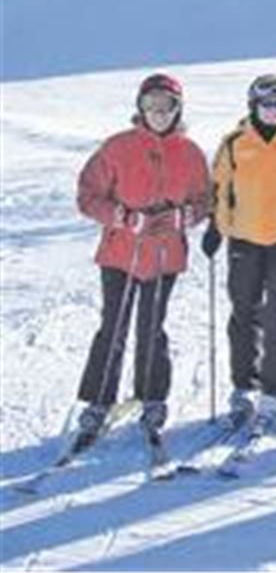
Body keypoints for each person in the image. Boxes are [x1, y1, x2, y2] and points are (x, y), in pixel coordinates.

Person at [74, 73, 210, 450]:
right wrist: (123, 217)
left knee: (152, 328)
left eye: (166, 106)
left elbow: (205, 198)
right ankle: (98, 402)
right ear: (140, 108)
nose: (159, 113)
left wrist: (186, 217)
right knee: (113, 326)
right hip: (121, 252)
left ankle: (152, 398)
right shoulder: (117, 147)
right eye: (151, 106)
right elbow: (88, 195)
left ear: (177, 108)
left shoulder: (191, 152)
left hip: (165, 254)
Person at [201, 74, 276, 432]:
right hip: (244, 239)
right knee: (244, 314)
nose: (273, 111)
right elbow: (220, 190)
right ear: (253, 106)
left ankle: (274, 393)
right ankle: (244, 387)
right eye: (266, 105)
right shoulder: (235, 143)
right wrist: (216, 228)